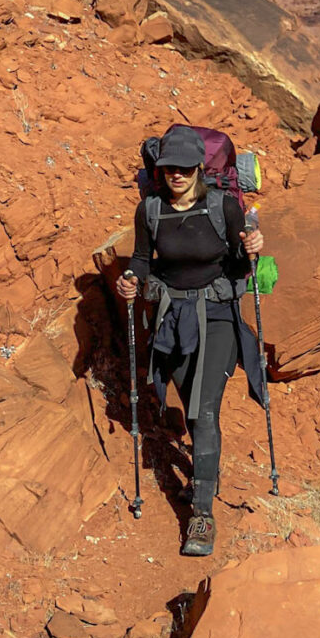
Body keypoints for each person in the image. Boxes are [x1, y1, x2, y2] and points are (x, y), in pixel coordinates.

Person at [114, 126, 264, 557]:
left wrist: (252, 246)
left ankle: (201, 513)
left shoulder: (222, 207)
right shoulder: (150, 210)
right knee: (187, 400)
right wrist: (130, 279)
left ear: (199, 166)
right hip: (173, 316)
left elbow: (240, 263)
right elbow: (143, 259)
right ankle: (206, 472)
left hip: (216, 317)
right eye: (167, 168)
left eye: (183, 168)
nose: (175, 175)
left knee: (202, 408)